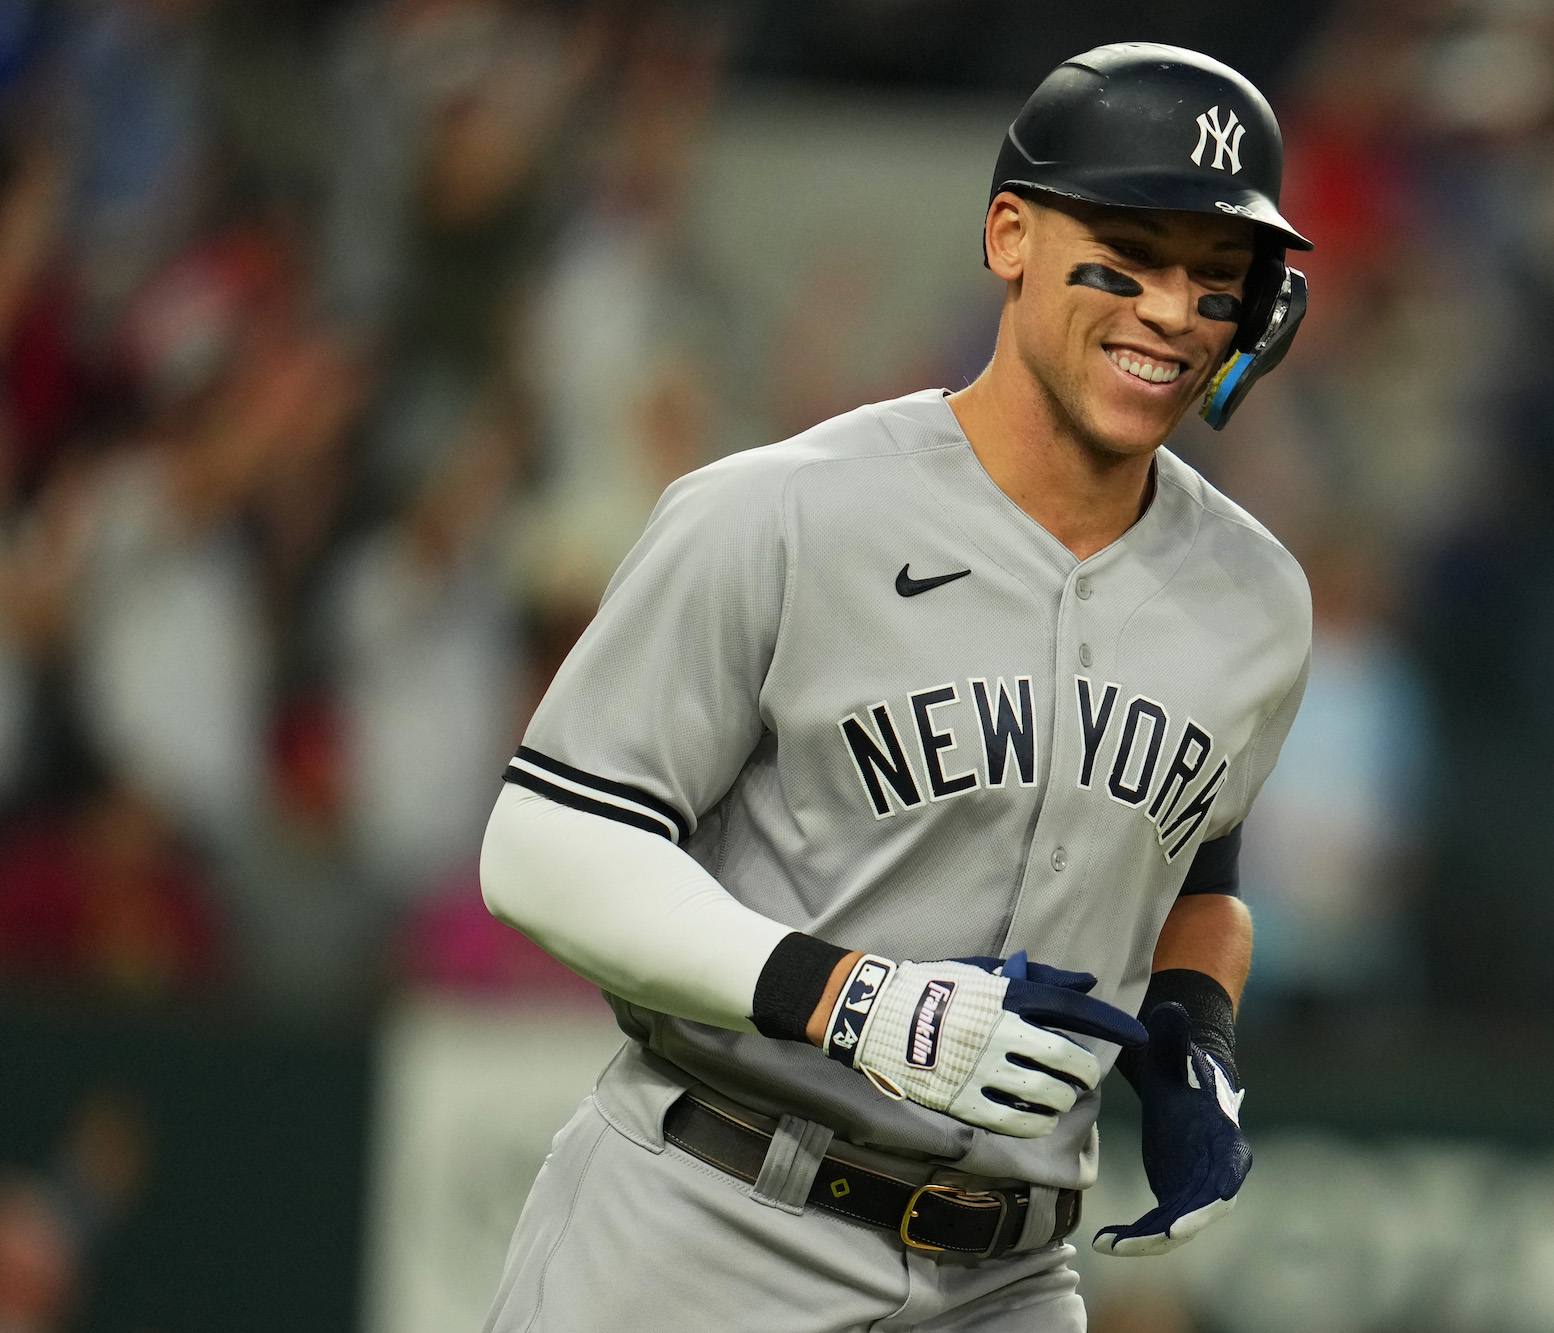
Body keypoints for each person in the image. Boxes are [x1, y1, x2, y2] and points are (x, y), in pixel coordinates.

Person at [479, 43, 1314, 1332]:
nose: (1171, 311)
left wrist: (1196, 1035)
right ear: (1010, 237)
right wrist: (849, 997)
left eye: (1217, 279)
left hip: (1013, 1276)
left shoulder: (1255, 601)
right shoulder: (780, 513)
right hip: (714, 1222)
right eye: (1131, 255)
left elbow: (1199, 876)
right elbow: (544, 844)